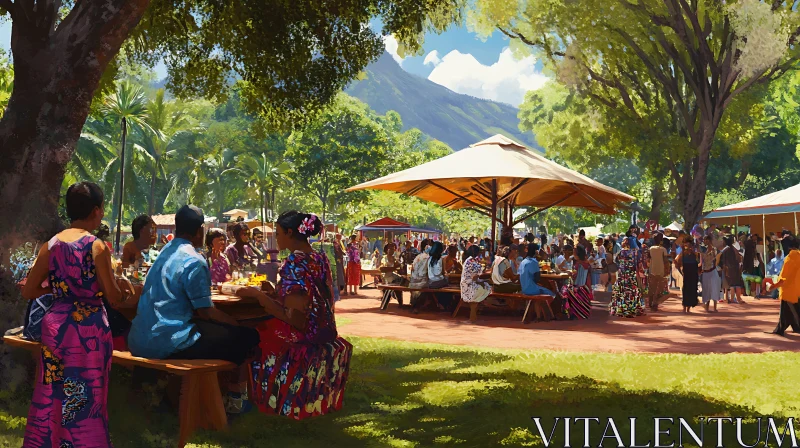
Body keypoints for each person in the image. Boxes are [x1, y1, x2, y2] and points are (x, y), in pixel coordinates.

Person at [22, 182, 135, 447]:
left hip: (56, 327)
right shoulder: (97, 247)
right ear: (96, 211)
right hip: (87, 330)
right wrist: (126, 290)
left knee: (52, 393)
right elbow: (113, 297)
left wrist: (55, 287)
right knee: (88, 398)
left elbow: (29, 291)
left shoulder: (50, 245)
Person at [129, 206, 260, 412]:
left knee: (218, 332)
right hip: (168, 342)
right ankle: (234, 400)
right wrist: (236, 324)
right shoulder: (194, 259)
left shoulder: (164, 253)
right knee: (247, 336)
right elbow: (206, 312)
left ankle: (172, 395)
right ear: (200, 231)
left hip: (139, 339)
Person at [236, 211, 351, 418]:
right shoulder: (320, 257)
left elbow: (294, 318)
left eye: (278, 233)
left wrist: (258, 297)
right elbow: (308, 298)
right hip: (326, 329)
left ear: (289, 232)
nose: (276, 238)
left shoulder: (294, 263)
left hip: (306, 334)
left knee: (248, 334)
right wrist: (275, 293)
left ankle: (243, 398)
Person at [768, 236, 800, 336]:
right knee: (786, 312)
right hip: (796, 290)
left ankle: (782, 329)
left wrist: (772, 287)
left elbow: (783, 279)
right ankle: (782, 329)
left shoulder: (790, 258)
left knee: (795, 312)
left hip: (789, 291)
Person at [518, 243, 556, 321]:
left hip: (524, 287)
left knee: (540, 292)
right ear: (535, 252)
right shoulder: (534, 262)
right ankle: (549, 314)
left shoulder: (523, 261)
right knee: (552, 294)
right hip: (531, 289)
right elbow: (537, 278)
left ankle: (539, 316)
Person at [609, 238, 645, 318]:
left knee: (621, 291)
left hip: (622, 274)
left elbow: (616, 261)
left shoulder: (621, 252)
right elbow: (639, 263)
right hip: (631, 274)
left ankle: (620, 308)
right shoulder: (636, 253)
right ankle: (632, 308)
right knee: (632, 291)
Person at [460, 245, 492, 322]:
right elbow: (478, 275)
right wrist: (487, 263)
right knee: (486, 287)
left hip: (465, 285)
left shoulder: (468, 260)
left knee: (484, 285)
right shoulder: (473, 262)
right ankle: (473, 318)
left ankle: (473, 317)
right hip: (469, 286)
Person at [718, 235, 746, 304]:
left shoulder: (725, 249)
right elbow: (739, 258)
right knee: (737, 284)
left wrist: (725, 269)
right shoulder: (734, 248)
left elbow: (724, 261)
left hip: (729, 268)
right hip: (735, 268)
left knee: (732, 285)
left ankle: (733, 299)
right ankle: (737, 299)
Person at [675, 239, 700, 313]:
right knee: (685, 290)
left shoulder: (695, 254)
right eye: (686, 245)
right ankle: (684, 307)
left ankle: (689, 307)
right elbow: (677, 263)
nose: (688, 247)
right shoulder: (682, 254)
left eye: (689, 245)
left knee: (692, 290)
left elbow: (699, 263)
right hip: (686, 274)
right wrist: (681, 272)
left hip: (693, 275)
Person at [647, 233, 669, 311]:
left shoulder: (650, 249)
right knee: (659, 288)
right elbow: (665, 260)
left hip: (652, 269)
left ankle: (650, 302)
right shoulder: (663, 249)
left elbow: (648, 259)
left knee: (652, 287)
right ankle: (655, 303)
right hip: (660, 270)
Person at [409, 239, 432, 313]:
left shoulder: (417, 257)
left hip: (412, 282)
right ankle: (420, 305)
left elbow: (412, 269)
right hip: (422, 283)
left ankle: (416, 304)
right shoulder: (429, 257)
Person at [701, 235, 722, 312]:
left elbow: (716, 259)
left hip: (712, 271)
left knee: (714, 288)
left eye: (706, 240)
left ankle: (715, 307)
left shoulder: (714, 249)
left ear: (709, 240)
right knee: (706, 289)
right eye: (704, 240)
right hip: (705, 272)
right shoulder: (703, 249)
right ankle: (706, 307)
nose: (705, 241)